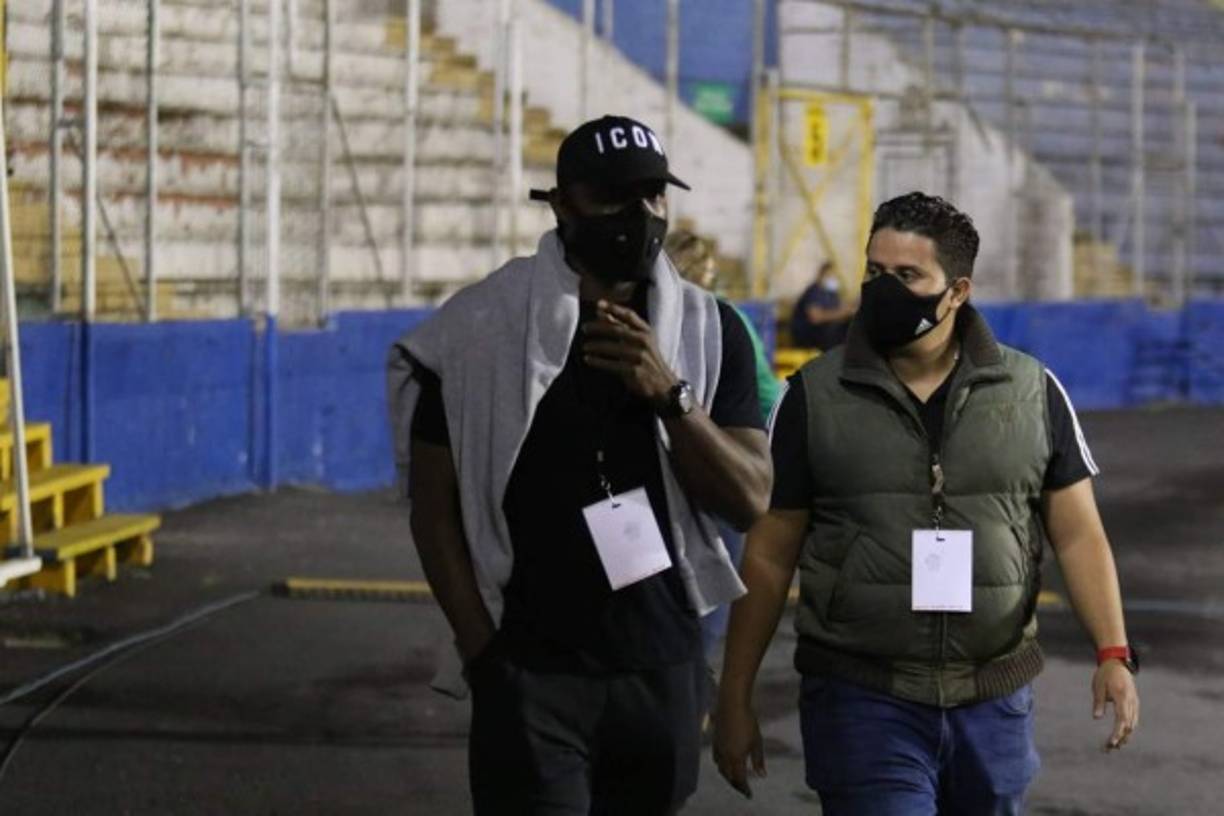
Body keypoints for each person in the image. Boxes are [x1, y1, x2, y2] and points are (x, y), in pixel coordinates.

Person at [388, 115, 772, 814]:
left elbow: (749, 499)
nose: (638, 216)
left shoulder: (710, 332)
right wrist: (483, 654)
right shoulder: (480, 331)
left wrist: (671, 395)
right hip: (533, 673)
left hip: (661, 668)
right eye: (613, 198)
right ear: (562, 205)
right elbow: (432, 506)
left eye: (653, 196)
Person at [713, 192, 1140, 814]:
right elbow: (770, 555)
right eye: (875, 272)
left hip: (994, 702)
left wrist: (1113, 653)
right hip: (862, 698)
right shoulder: (811, 397)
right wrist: (734, 696)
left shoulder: (1033, 392)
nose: (883, 289)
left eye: (907, 276)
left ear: (957, 292)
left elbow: (1079, 534)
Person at [665, 228, 781, 660]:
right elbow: (765, 395)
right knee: (711, 591)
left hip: (691, 460)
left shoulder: (670, 318)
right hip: (722, 459)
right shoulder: (721, 320)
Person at [790, 261, 855, 351]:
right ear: (821, 275)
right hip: (808, 335)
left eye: (835, 276)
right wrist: (842, 313)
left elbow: (841, 307)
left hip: (823, 334)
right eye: (830, 276)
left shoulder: (831, 294)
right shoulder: (814, 291)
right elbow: (815, 318)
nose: (833, 279)